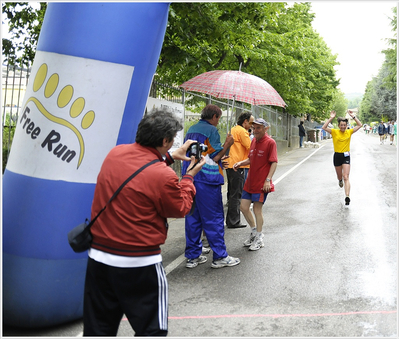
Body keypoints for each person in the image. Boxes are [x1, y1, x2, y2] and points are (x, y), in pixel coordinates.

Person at [83, 108, 206, 336]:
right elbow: (180, 208)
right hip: (139, 263)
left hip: (99, 258)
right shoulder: (163, 175)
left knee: (98, 329)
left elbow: (139, 171)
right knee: (152, 330)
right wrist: (189, 177)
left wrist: (169, 157)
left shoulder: (115, 154)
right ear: (165, 140)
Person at [182, 104, 240, 269]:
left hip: (190, 177)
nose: (218, 122)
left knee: (193, 218)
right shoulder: (212, 131)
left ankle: (193, 256)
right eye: (218, 118)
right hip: (207, 180)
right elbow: (214, 158)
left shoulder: (192, 129)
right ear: (214, 116)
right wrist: (227, 144)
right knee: (214, 218)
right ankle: (220, 256)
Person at [233, 118, 278, 251]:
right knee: (243, 207)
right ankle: (254, 232)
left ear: (266, 128)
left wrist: (268, 180)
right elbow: (251, 159)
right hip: (250, 182)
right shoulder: (253, 141)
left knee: (257, 209)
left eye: (259, 128)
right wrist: (241, 163)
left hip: (261, 183)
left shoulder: (270, 142)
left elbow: (274, 162)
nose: (256, 130)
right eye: (254, 127)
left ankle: (259, 237)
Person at [322, 110, 362, 206]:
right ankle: (339, 180)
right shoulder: (334, 132)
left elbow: (360, 125)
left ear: (346, 125)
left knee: (346, 176)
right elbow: (324, 127)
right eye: (341, 125)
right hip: (337, 156)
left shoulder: (349, 132)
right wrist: (331, 118)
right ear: (339, 125)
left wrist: (353, 116)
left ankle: (347, 196)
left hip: (346, 156)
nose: (343, 127)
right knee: (340, 177)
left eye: (344, 125)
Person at [225, 112, 254, 228]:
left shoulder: (233, 129)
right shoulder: (242, 131)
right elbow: (251, 146)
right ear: (245, 121)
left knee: (232, 193)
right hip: (239, 165)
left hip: (230, 164)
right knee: (236, 194)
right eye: (251, 122)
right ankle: (233, 221)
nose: (252, 125)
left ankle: (231, 220)